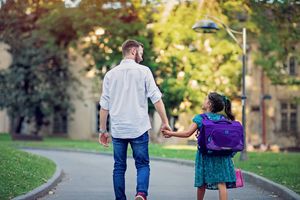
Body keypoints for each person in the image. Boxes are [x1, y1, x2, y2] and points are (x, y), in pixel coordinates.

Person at [98, 39, 171, 200]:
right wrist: (165, 122)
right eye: (141, 53)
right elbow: (156, 99)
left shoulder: (110, 75)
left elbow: (104, 107)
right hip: (139, 127)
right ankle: (141, 194)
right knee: (143, 164)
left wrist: (103, 131)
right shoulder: (144, 71)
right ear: (133, 51)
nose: (142, 58)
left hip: (118, 129)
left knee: (118, 167)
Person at [162, 92, 236, 200]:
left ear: (210, 104)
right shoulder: (223, 119)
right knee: (221, 183)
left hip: (205, 155)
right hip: (221, 155)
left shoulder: (201, 118)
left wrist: (171, 133)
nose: (204, 101)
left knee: (202, 183)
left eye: (206, 99)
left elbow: (187, 133)